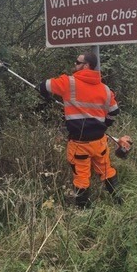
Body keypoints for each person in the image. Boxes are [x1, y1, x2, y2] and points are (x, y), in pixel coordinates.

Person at [39, 51, 122, 208]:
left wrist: (45, 94)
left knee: (82, 177)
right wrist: (106, 124)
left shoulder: (68, 83)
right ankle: (119, 201)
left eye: (77, 62)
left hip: (79, 144)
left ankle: (83, 213)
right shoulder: (105, 89)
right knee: (106, 171)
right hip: (99, 142)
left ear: (86, 66)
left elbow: (44, 85)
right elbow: (114, 111)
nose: (74, 65)